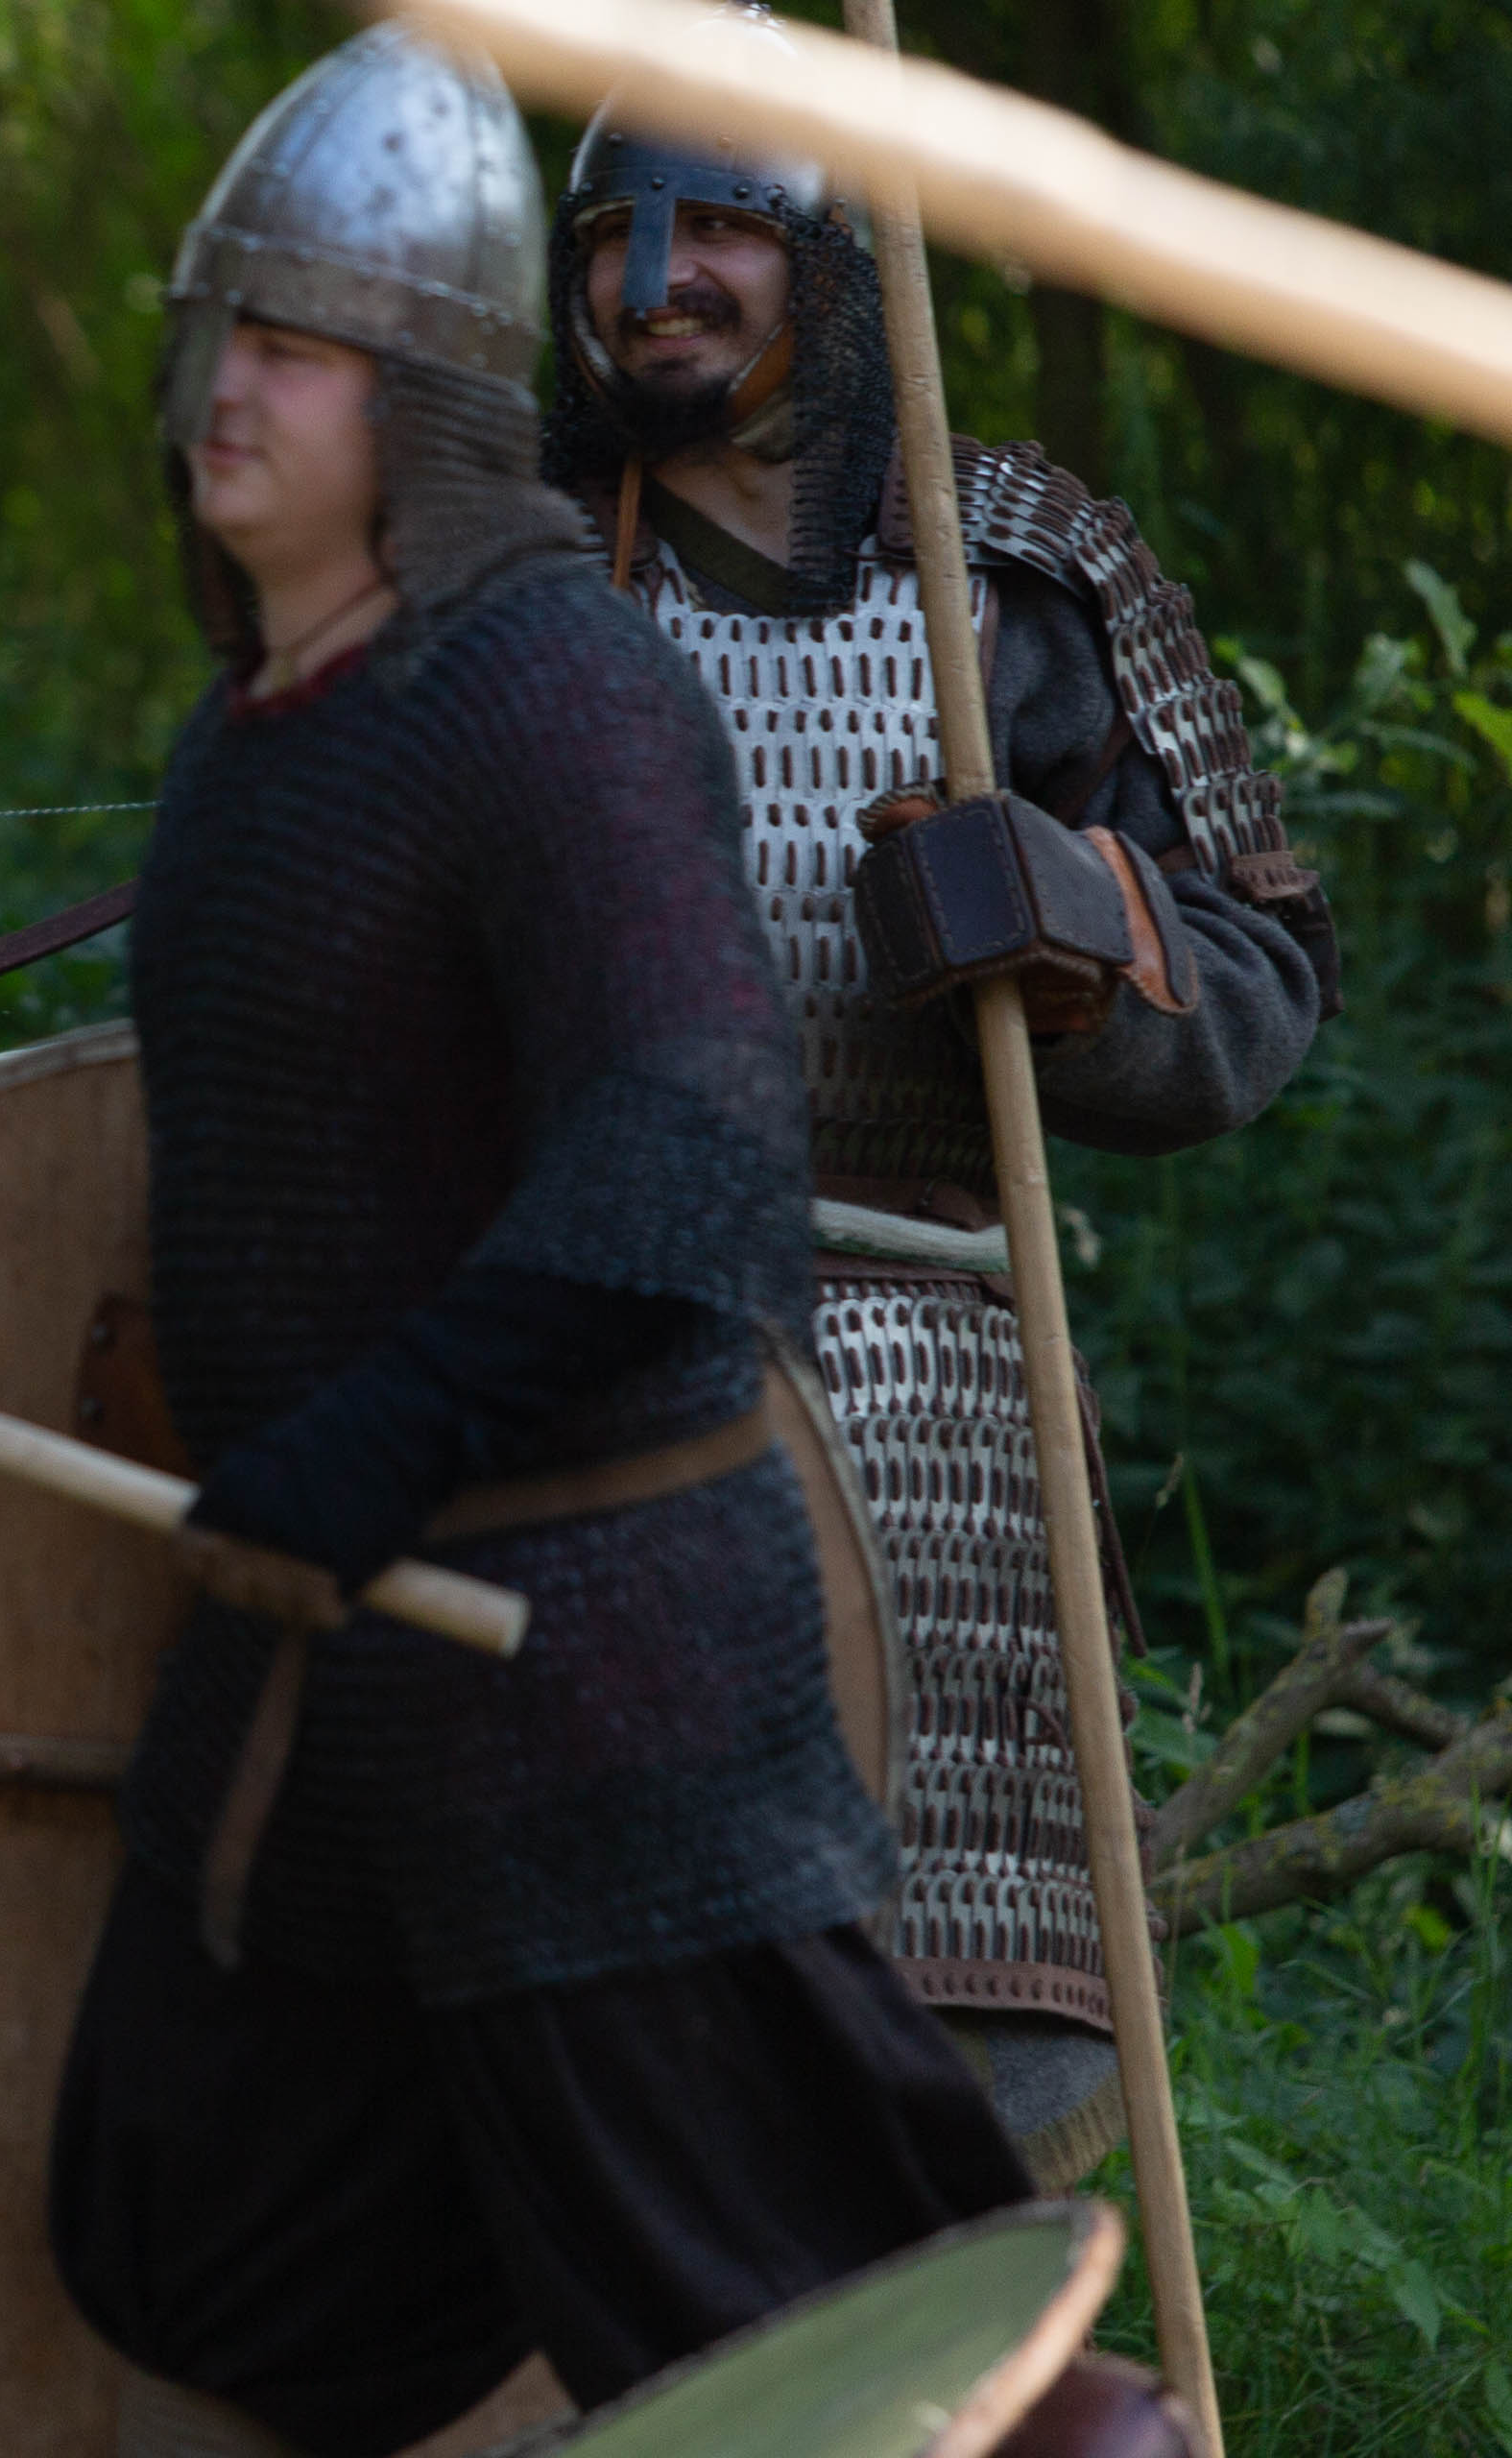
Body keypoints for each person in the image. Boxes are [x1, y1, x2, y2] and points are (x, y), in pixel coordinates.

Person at [36, 33, 1183, 2458]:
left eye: (299, 347)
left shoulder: (597, 667)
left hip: (620, 1619)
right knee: (195, 2236)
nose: (227, 389)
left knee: (836, 2318)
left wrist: (1082, 920)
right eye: (220, 334)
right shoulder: (286, 717)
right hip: (345, 1656)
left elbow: (678, 1150)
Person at [541, 4, 1332, 2181]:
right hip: (559, 1364)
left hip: (928, 1401)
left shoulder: (1022, 566)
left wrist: (1074, 928)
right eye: (613, 237)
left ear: (830, 260)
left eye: (720, 230)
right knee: (567, 2050)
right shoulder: (478, 558)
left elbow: (1264, 968)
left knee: (943, 2095)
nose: (656, 281)